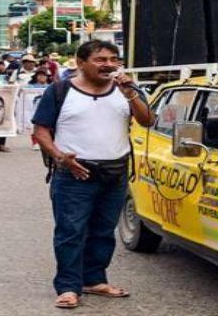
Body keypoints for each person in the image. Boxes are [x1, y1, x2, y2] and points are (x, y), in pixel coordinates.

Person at [32, 41, 154, 309]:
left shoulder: (127, 90)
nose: (108, 65)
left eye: (113, 59)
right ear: (80, 62)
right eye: (100, 59)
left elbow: (147, 121)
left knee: (103, 231)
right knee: (71, 232)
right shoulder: (60, 91)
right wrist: (60, 157)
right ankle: (68, 287)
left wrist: (131, 94)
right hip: (74, 174)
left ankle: (94, 280)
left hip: (115, 173)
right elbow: (41, 131)